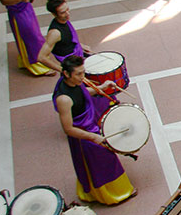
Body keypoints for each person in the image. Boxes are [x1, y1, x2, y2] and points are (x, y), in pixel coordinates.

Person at [53, 54, 136, 203]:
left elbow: (83, 93)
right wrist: (93, 137)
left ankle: (105, 191)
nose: (82, 77)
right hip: (83, 136)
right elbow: (68, 129)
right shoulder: (63, 99)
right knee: (104, 161)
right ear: (66, 73)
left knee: (100, 162)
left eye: (83, 72)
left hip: (90, 127)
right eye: (78, 74)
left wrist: (101, 88)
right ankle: (116, 194)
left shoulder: (74, 82)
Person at [38, 0, 89, 72]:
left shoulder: (64, 20)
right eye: (63, 12)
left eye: (67, 9)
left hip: (76, 55)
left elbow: (67, 40)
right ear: (54, 14)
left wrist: (81, 46)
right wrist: (63, 70)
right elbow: (41, 57)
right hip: (71, 65)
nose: (67, 13)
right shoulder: (55, 33)